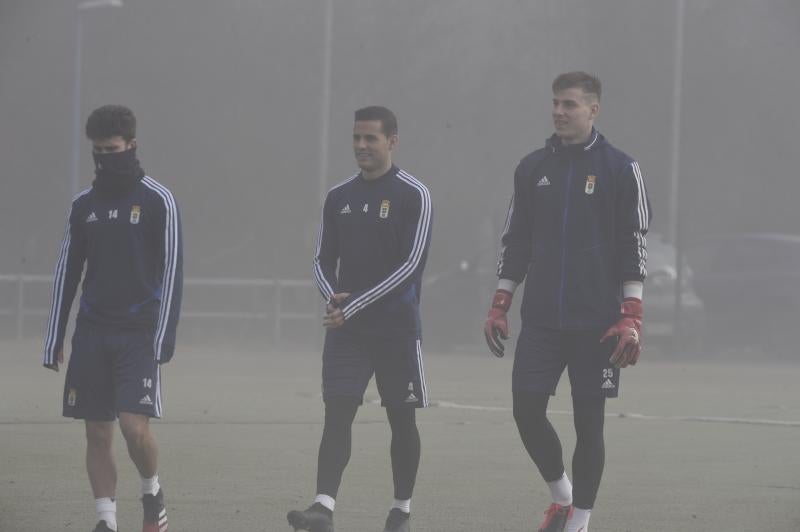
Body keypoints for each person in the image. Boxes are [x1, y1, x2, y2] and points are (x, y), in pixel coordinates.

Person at [484, 72, 651, 532]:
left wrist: (631, 314)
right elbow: (515, 240)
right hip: (540, 319)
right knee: (525, 408)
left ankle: (578, 523)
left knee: (589, 423)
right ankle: (562, 497)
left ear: (593, 110)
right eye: (555, 103)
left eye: (570, 105)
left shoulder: (621, 168)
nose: (559, 111)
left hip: (599, 322)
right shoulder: (532, 168)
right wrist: (501, 302)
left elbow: (632, 244)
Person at [287, 106, 432, 532]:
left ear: (392, 141)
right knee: (337, 413)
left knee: (401, 420)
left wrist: (351, 305)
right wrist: (332, 296)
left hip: (396, 332)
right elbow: (320, 259)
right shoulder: (339, 197)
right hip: (348, 333)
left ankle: (400, 511)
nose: (362, 146)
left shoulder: (414, 194)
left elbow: (410, 268)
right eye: (356, 138)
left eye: (370, 138)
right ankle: (323, 509)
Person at [43, 105, 182, 532]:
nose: (105, 159)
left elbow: (174, 272)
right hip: (92, 333)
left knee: (132, 427)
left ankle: (151, 491)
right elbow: (68, 271)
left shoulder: (158, 200)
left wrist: (164, 338)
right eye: (98, 152)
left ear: (132, 146)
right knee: (98, 432)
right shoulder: (83, 205)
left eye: (113, 149)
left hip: (139, 334)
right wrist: (54, 337)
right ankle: (106, 519)